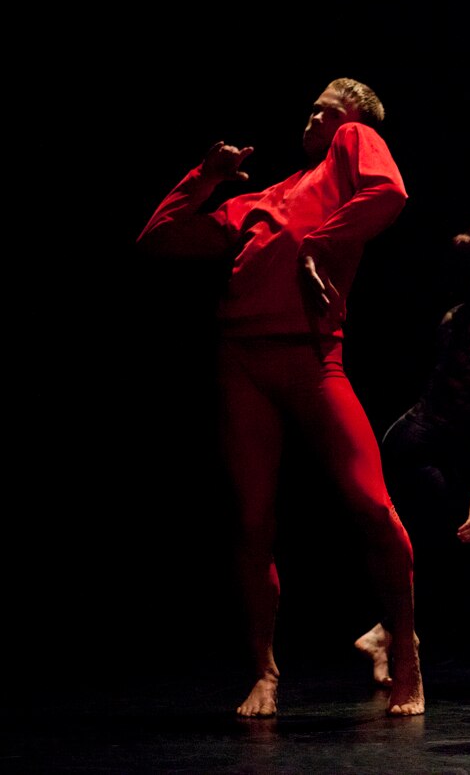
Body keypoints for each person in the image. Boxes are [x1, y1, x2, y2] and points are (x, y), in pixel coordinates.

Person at [135, 78, 423, 717]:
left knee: (372, 506)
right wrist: (204, 178)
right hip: (242, 360)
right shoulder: (263, 198)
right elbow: (158, 240)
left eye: (324, 108)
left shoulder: (352, 145)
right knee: (252, 521)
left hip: (314, 357)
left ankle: (406, 651)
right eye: (313, 108)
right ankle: (264, 670)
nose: (311, 116)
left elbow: (390, 191)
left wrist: (322, 243)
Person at [355, 225, 470, 698]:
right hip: (418, 451)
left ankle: (384, 634)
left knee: (437, 552)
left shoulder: (456, 317)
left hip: (411, 442)